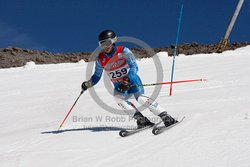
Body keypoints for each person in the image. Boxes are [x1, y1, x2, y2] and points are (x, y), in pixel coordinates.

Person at [81, 30, 177, 129]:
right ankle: (141, 120)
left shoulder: (123, 51)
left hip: (132, 81)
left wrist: (127, 80)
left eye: (107, 43)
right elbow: (97, 76)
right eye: (102, 44)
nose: (105, 46)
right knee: (119, 100)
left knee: (140, 98)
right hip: (118, 85)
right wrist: (88, 84)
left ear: (113, 41)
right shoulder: (100, 59)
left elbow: (134, 66)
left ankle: (166, 117)